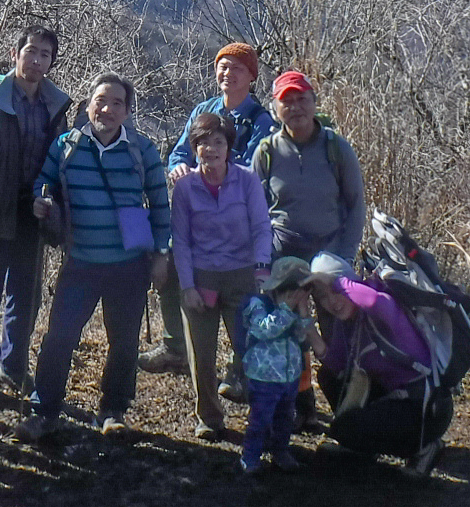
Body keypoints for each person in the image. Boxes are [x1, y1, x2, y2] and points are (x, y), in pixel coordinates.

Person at [15, 73, 171, 441]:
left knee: (124, 341)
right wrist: (41, 199)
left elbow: (160, 203)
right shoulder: (67, 146)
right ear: (88, 106)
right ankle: (44, 411)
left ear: (128, 111)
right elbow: (43, 180)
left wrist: (162, 253)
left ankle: (113, 410)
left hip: (129, 263)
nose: (108, 108)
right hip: (80, 260)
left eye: (118, 103)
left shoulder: (141, 149)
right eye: (101, 100)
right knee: (59, 338)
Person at [142, 43, 278, 378]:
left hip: (237, 217)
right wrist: (178, 169)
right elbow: (180, 152)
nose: (227, 73)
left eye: (236, 68)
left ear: (251, 76)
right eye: (223, 67)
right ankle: (175, 345)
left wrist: (214, 169)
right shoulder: (205, 109)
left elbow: (253, 167)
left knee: (239, 298)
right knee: (174, 263)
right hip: (198, 208)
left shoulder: (259, 120)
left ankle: (237, 367)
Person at [0, 25, 71, 404]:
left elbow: (59, 164)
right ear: (15, 53)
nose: (36, 61)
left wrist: (53, 210)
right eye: (31, 52)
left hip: (31, 216)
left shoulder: (55, 107)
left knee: (26, 296)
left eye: (45, 55)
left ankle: (14, 366)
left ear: (52, 62)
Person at [250, 69, 366, 431]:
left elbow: (356, 205)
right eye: (287, 101)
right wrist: (260, 262)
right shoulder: (267, 152)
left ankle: (348, 410)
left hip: (330, 254)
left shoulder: (335, 147)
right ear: (275, 107)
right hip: (283, 253)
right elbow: (255, 211)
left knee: (336, 334)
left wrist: (344, 257)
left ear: (314, 103)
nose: (296, 107)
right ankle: (302, 409)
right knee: (287, 334)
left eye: (303, 99)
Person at [168, 112, 273, 439]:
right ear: (194, 147)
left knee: (250, 351)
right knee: (201, 353)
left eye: (218, 142)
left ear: (229, 146)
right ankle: (209, 418)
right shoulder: (185, 187)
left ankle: (264, 419)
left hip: (242, 278)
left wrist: (262, 270)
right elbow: (181, 240)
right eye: (202, 143)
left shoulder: (246, 180)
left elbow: (261, 227)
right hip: (201, 278)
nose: (210, 149)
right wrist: (187, 286)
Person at [306, 265, 450, 477]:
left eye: (337, 293)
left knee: (342, 429)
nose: (332, 302)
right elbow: (337, 366)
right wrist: (306, 321)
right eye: (323, 297)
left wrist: (337, 281)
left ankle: (423, 448)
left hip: (427, 408)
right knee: (327, 377)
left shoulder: (384, 305)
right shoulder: (346, 324)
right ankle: (361, 445)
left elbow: (373, 301)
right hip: (395, 398)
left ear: (350, 286)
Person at [238, 257, 325, 475]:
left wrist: (303, 314)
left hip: (289, 377)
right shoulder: (259, 305)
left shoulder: (292, 312)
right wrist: (286, 309)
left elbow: (300, 336)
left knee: (285, 419)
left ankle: (281, 453)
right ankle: (250, 458)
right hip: (263, 377)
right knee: (260, 420)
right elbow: (264, 330)